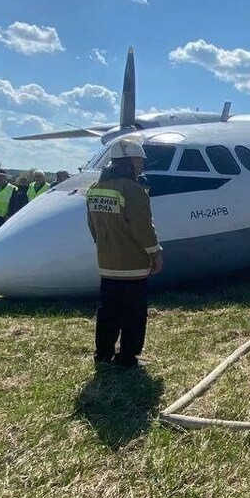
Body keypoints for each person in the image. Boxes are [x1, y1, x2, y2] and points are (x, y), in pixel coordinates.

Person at [86, 138, 163, 367]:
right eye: (139, 161)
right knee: (133, 313)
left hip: (107, 262)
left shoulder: (95, 189)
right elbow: (142, 226)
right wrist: (154, 252)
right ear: (130, 161)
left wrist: (105, 245)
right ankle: (127, 356)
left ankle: (103, 353)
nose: (141, 165)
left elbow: (93, 226)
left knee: (108, 311)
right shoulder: (134, 189)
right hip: (132, 264)